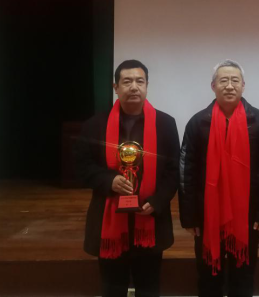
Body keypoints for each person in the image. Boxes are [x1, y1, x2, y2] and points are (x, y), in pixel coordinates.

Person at [74, 59, 180, 297]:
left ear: (147, 85)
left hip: (150, 218)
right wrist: (108, 181)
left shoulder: (165, 124)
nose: (134, 87)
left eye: (140, 81)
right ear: (116, 87)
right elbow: (82, 167)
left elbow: (173, 170)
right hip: (108, 218)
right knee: (112, 287)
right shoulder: (95, 125)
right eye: (127, 81)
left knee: (149, 287)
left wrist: (158, 200)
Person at [179, 59, 259, 297]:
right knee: (208, 275)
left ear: (243, 86)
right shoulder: (198, 122)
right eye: (223, 80)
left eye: (235, 80)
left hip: (247, 214)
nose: (229, 85)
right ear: (213, 86)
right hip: (207, 213)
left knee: (243, 275)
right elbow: (186, 172)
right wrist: (189, 216)